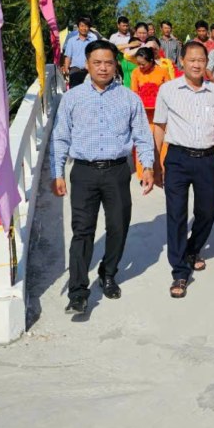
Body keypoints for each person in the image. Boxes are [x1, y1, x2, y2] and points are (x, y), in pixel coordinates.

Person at [50, 40, 155, 314]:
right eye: (97, 62)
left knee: (118, 226)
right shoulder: (72, 98)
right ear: (87, 64)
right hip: (83, 172)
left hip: (117, 171)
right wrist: (58, 172)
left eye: (108, 62)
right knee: (82, 231)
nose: (103, 67)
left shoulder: (129, 98)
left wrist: (148, 167)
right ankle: (77, 292)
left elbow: (143, 136)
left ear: (115, 64)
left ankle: (108, 274)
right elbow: (60, 137)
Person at [153, 41, 214, 299]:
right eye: (192, 60)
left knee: (209, 208)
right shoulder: (167, 90)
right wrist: (154, 163)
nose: (197, 64)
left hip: (208, 159)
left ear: (206, 63)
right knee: (176, 214)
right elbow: (159, 126)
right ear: (182, 62)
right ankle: (179, 271)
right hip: (177, 158)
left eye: (201, 60)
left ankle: (192, 247)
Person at [130, 46, 170, 182]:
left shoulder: (162, 71)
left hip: (160, 116)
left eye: (143, 64)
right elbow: (134, 93)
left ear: (152, 60)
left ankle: (161, 171)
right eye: (138, 63)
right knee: (143, 142)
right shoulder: (136, 73)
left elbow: (170, 92)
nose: (140, 66)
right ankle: (143, 174)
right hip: (143, 116)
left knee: (162, 144)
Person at [61, 16, 97, 88]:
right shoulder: (71, 40)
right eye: (82, 26)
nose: (84, 28)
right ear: (78, 27)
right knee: (74, 91)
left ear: (89, 28)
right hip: (75, 70)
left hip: (89, 70)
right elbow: (68, 56)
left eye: (86, 26)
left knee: (90, 91)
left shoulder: (93, 41)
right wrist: (66, 69)